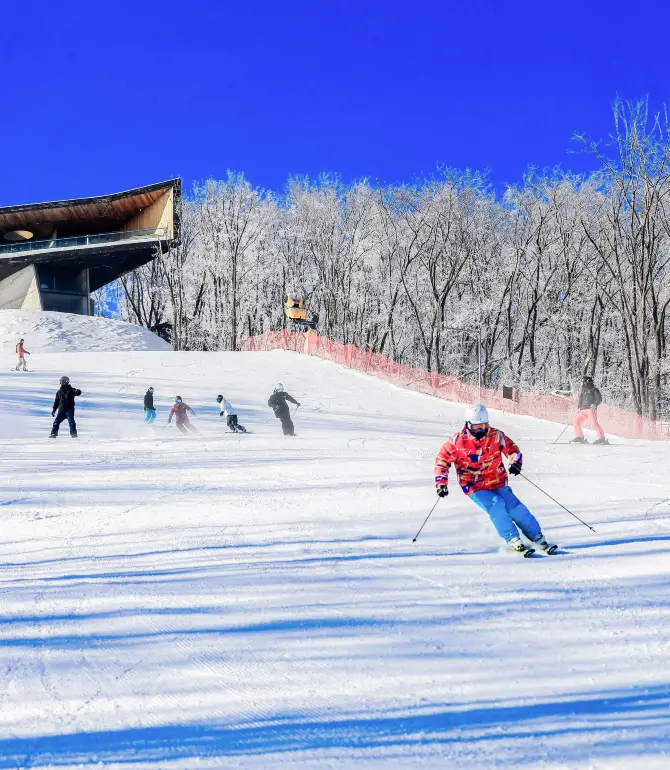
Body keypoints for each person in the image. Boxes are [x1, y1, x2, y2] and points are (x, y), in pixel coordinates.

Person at [434, 404, 556, 555]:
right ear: (468, 424)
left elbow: (512, 450)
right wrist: (441, 483)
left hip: (497, 481)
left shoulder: (496, 436)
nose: (481, 430)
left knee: (515, 508)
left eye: (483, 426)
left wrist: (515, 462)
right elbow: (442, 461)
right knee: (496, 505)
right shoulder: (457, 441)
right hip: (473, 485)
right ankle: (512, 539)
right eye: (477, 427)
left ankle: (537, 536)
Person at [570, 375, 608, 445]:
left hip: (590, 409)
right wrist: (579, 406)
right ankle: (580, 437)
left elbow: (599, 399)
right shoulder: (583, 390)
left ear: (588, 382)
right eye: (582, 382)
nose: (582, 383)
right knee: (576, 421)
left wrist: (595, 404)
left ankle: (601, 438)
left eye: (584, 382)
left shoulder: (594, 389)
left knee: (594, 423)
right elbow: (581, 399)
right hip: (583, 410)